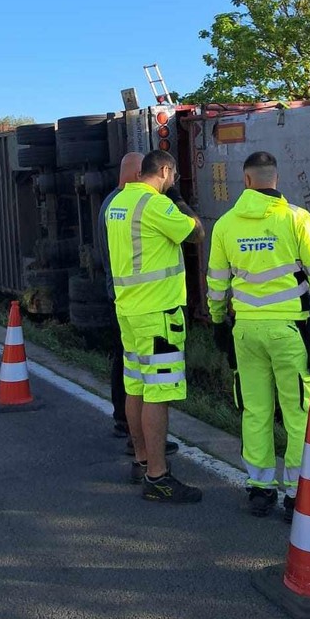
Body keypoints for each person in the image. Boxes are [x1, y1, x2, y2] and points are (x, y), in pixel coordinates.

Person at [206, 151, 310, 521]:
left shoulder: (225, 225)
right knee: (299, 411)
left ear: (246, 180)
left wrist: (217, 320)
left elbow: (216, 283)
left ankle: (259, 489)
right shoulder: (297, 219)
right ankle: (297, 493)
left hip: (246, 331)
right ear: (276, 179)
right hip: (289, 331)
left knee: (254, 410)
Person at [106, 150, 205, 503]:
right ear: (164, 171)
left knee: (135, 387)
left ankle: (141, 459)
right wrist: (177, 197)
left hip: (129, 310)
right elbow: (197, 233)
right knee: (158, 394)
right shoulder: (155, 204)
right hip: (158, 313)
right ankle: (158, 476)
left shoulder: (120, 203)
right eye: (172, 176)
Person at [96, 152, 179, 457]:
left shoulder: (113, 204)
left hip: (124, 300)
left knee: (133, 378)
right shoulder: (144, 204)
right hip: (150, 306)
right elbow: (192, 232)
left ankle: (138, 444)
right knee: (153, 387)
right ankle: (152, 461)